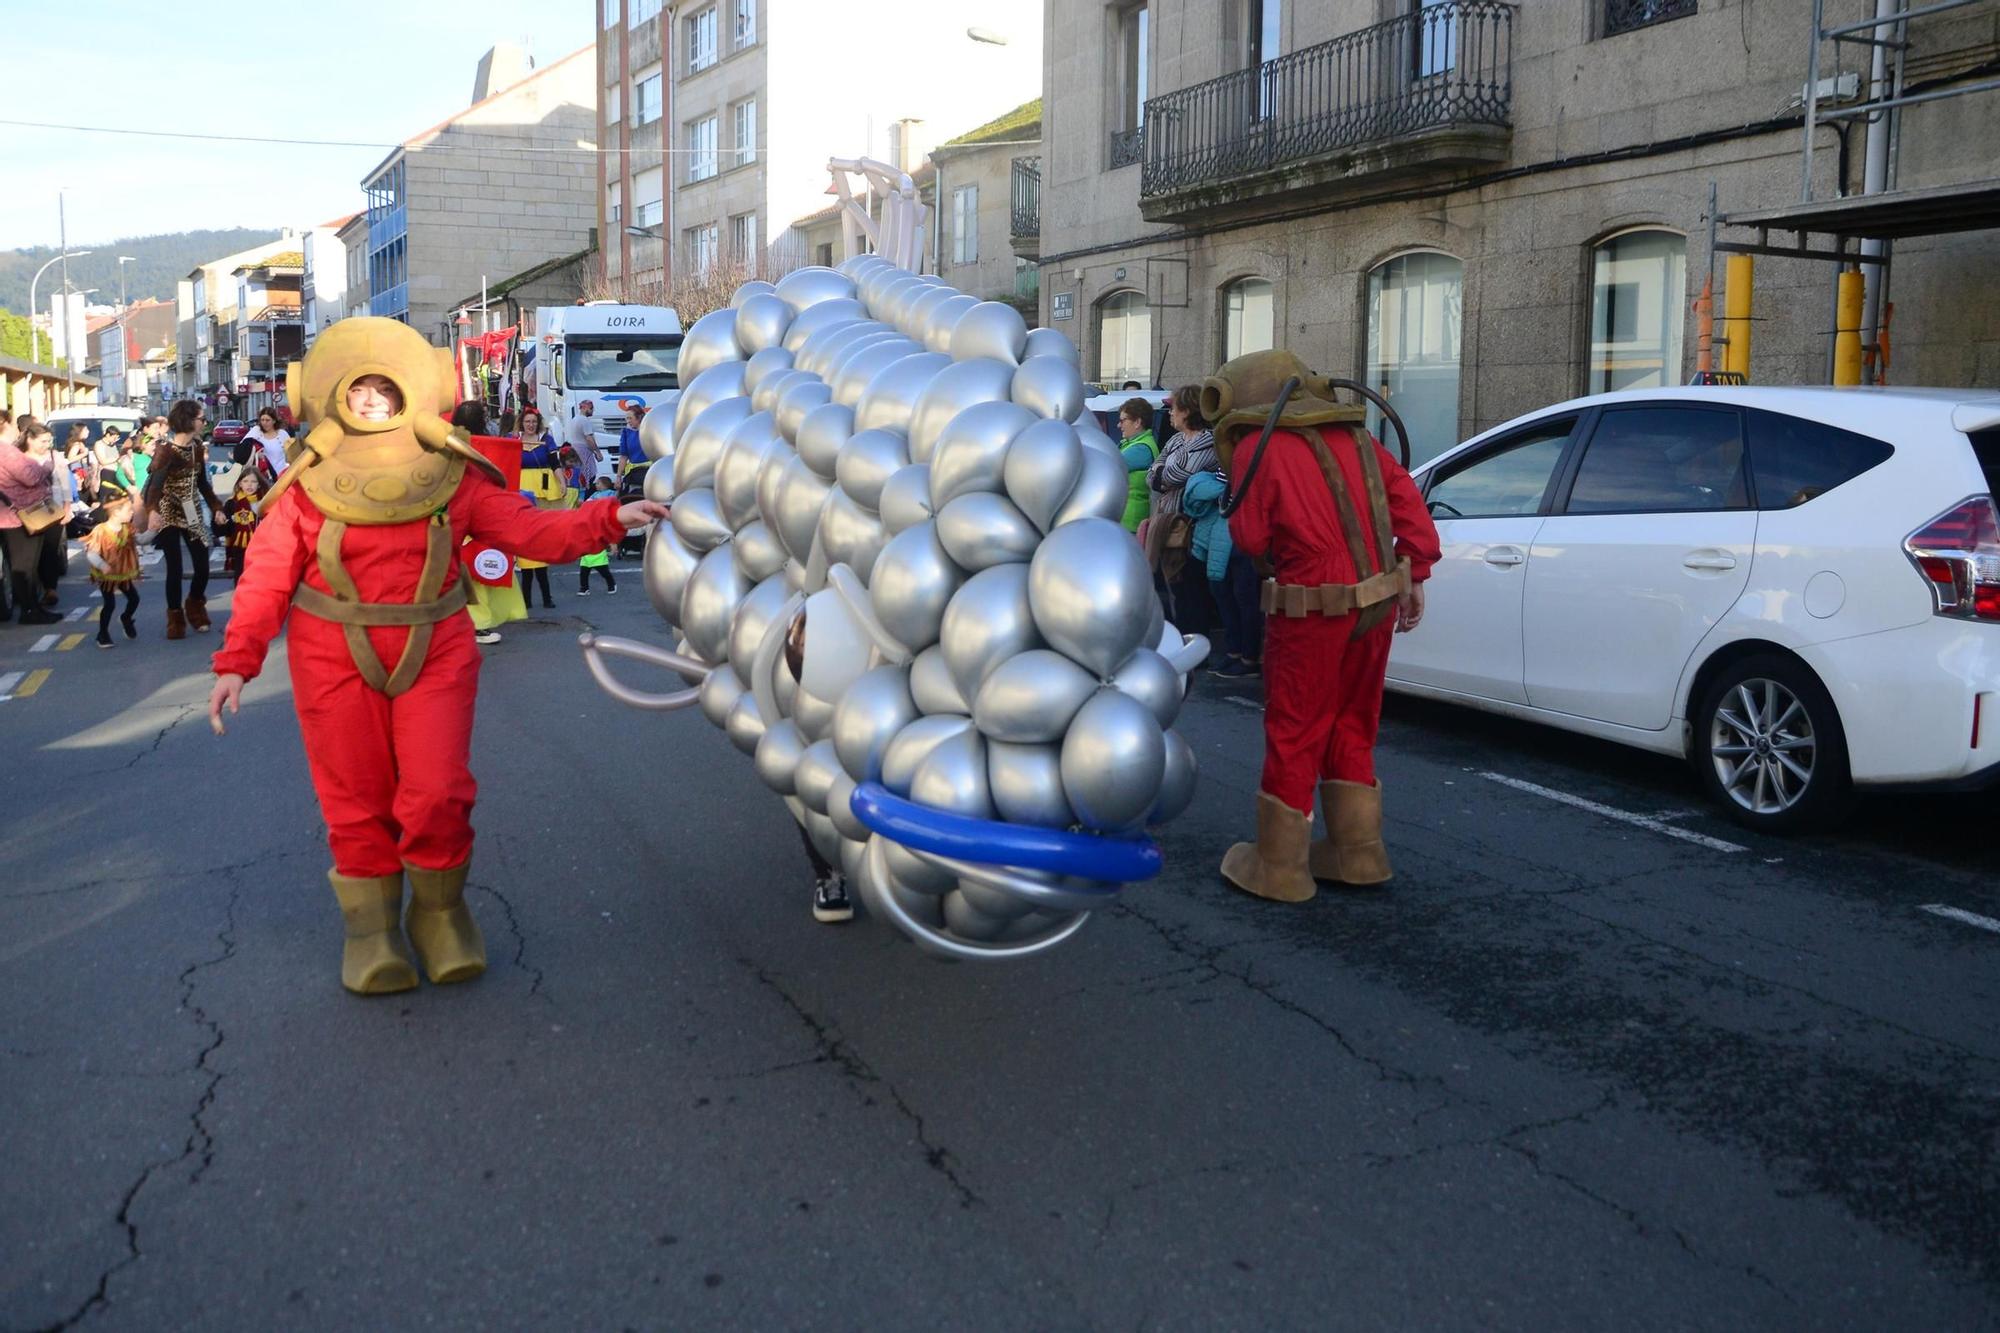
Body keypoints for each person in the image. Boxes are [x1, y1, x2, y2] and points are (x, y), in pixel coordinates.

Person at [206, 317, 668, 997]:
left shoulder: (452, 473)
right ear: (330, 393)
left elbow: (527, 528)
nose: (369, 399)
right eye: (356, 388)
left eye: (381, 388)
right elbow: (269, 576)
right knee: (355, 798)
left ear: (409, 392)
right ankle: (372, 933)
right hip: (331, 652)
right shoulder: (307, 484)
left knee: (438, 792)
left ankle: (439, 913)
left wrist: (608, 519)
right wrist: (236, 659)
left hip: (435, 644)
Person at [1206, 350, 1441, 903]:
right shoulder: (1361, 441)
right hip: (1378, 594)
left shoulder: (1256, 450)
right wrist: (1416, 575)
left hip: (1310, 602)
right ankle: (1358, 853)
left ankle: (1280, 867)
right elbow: (1409, 509)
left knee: (1295, 724)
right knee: (1354, 720)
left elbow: (1251, 539)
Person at [140, 399, 221, 639]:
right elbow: (154, 485)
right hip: (167, 509)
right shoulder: (166, 450)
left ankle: (195, 605)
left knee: (202, 563)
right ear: (188, 420)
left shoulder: (197, 447)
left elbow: (203, 484)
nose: (204, 423)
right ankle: (175, 618)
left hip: (191, 508)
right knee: (174, 567)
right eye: (201, 419)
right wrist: (153, 511)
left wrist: (217, 506)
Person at [1180, 467, 1262, 677]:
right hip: (1224, 532)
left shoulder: (1250, 451)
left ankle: (1248, 657)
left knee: (1244, 598)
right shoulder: (1230, 453)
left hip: (1240, 531)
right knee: (1225, 595)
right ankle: (1235, 652)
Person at [1142, 385, 1219, 572]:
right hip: (1166, 523)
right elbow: (1150, 475)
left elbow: (1181, 474)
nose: (1170, 413)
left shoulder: (1208, 442)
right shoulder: (1175, 440)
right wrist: (1159, 473)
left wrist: (1160, 473)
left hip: (1189, 527)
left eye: (1173, 408)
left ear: (1186, 411)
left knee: (1186, 583)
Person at [1, 413, 63, 625]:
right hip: (20, 514)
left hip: (17, 513)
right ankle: (29, 610)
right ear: (5, 425)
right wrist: (44, 466)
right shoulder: (5, 451)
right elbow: (29, 476)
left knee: (27, 564)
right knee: (25, 565)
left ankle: (33, 607)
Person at [84, 479, 142, 647]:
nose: (132, 512)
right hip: (107, 576)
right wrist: (102, 565)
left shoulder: (127, 529)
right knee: (109, 604)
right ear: (116, 512)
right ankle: (102, 634)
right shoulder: (101, 531)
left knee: (134, 599)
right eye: (129, 509)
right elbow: (92, 553)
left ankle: (126, 618)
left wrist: (153, 531)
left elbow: (141, 540)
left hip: (123, 573)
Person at [1115, 396, 1160, 533]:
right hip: (1126, 519)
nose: (1119, 425)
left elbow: (1108, 467)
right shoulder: (1134, 444)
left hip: (1131, 521)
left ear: (1137, 422)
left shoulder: (1141, 448)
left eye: (1123, 420)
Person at [576, 477, 619, 595]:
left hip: (598, 549)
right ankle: (584, 588)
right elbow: (587, 504)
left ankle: (611, 584)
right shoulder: (594, 495)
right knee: (584, 570)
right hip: (587, 548)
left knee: (603, 569)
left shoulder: (611, 494)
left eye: (599, 483)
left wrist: (613, 544)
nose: (596, 485)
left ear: (605, 484)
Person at [222, 470, 263, 578]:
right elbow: (223, 530)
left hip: (261, 548)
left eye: (253, 481)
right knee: (241, 579)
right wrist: (221, 522)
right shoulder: (232, 503)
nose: (249, 484)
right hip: (240, 548)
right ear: (240, 484)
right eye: (245, 481)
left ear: (259, 485)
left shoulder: (265, 501)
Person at [562, 398, 604, 488]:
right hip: (584, 452)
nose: (593, 411)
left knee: (579, 475)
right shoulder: (584, 421)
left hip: (575, 450)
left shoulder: (574, 419)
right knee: (589, 475)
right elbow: (589, 439)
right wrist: (598, 452)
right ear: (585, 408)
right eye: (591, 408)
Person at [244, 408, 291, 480]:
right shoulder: (256, 431)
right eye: (262, 420)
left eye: (267, 420)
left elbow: (291, 453)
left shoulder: (282, 434)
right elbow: (242, 448)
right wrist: (254, 453)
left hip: (281, 476)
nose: (264, 423)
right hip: (262, 476)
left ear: (274, 421)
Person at [618, 402, 646, 474]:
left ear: (639, 417)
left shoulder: (650, 431)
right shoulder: (626, 432)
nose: (628, 421)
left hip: (649, 472)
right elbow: (623, 456)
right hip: (633, 473)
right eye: (626, 418)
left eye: (630, 418)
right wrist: (619, 476)